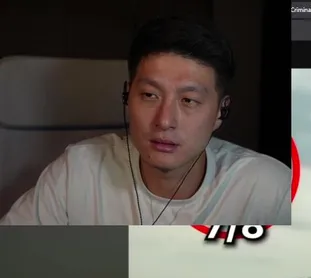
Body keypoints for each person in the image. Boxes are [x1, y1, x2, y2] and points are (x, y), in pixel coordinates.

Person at [0, 16, 290, 226]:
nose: (164, 121)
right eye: (150, 95)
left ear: (220, 112)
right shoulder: (78, 172)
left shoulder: (266, 188)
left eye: (189, 100)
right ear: (127, 96)